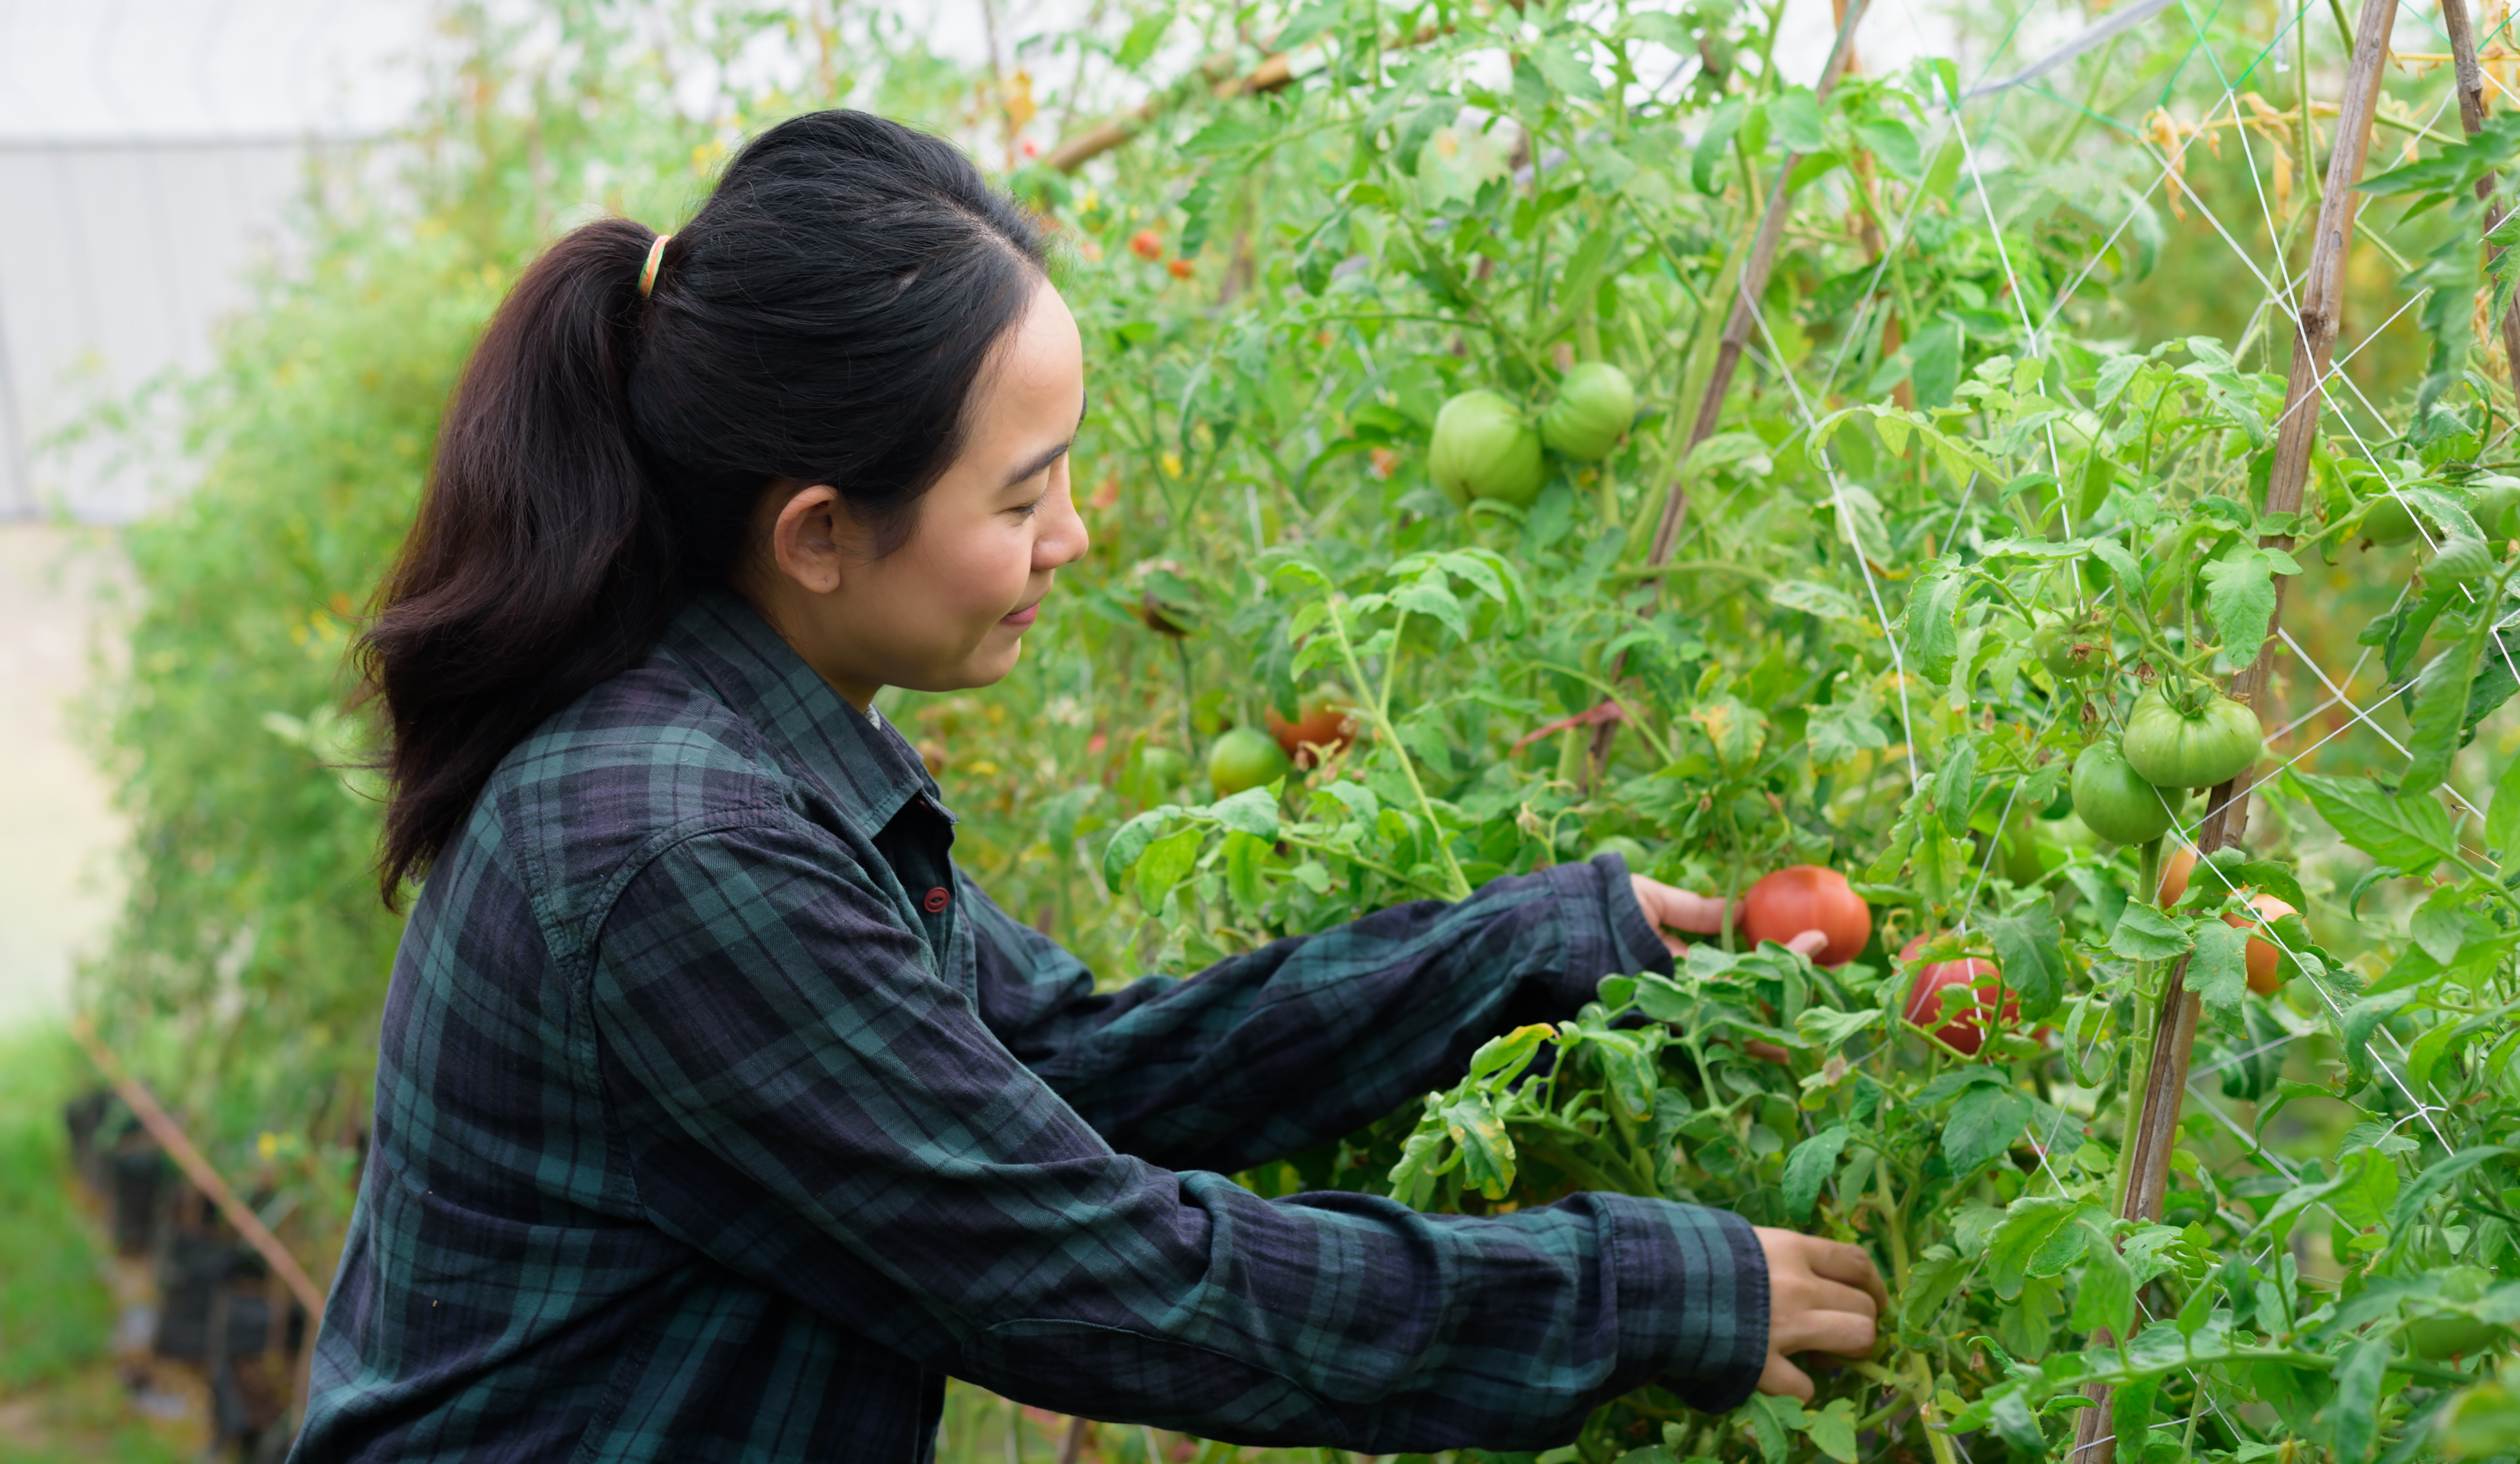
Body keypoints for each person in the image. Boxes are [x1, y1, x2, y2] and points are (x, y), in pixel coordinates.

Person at [294, 109, 1884, 1463]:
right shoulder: (678, 853)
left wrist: (1527, 950)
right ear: (820, 532)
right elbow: (1104, 1280)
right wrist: (1633, 1289)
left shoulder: (744, 749)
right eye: (1023, 494)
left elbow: (1068, 1071)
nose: (1071, 542)